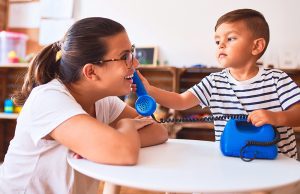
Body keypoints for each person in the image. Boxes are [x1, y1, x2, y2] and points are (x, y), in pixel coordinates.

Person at [0, 17, 168, 194]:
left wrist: (111, 142)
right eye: (124, 57)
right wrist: (125, 127)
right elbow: (124, 153)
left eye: (131, 53)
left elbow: (157, 131)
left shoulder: (102, 100)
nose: (135, 63)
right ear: (91, 71)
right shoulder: (49, 99)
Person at [136, 9, 300, 159]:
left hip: (277, 164)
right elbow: (180, 101)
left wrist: (277, 117)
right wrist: (149, 90)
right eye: (217, 41)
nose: (221, 44)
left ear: (256, 46)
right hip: (232, 160)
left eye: (230, 38)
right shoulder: (213, 81)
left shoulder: (277, 79)